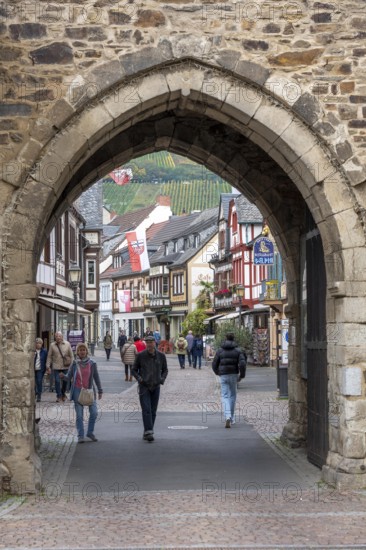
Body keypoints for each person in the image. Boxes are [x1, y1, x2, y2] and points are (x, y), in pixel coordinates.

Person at [61, 342, 103, 443]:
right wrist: (63, 376)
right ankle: (81, 435)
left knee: (94, 412)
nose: (82, 352)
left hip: (89, 391)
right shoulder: (74, 363)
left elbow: (96, 377)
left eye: (83, 350)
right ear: (77, 352)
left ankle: (90, 432)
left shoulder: (92, 363)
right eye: (80, 350)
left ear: (86, 351)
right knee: (79, 415)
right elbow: (69, 377)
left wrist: (100, 390)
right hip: (77, 391)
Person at [131, 335, 168, 442]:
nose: (149, 344)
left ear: (154, 343)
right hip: (144, 386)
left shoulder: (161, 356)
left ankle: (148, 430)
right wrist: (139, 378)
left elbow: (165, 370)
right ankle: (149, 431)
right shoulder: (141, 356)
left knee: (153, 410)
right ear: (145, 344)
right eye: (147, 343)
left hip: (156, 385)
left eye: (151, 342)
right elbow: (134, 369)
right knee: (146, 409)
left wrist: (162, 379)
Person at [212, 333, 246, 428]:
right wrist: (242, 375)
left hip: (223, 375)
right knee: (233, 396)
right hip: (234, 374)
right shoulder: (238, 351)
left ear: (225, 338)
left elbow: (214, 363)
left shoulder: (220, 351)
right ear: (233, 339)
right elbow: (242, 364)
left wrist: (217, 372)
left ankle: (228, 416)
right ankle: (231, 417)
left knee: (224, 395)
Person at [46, 331, 74, 403]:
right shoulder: (52, 345)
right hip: (56, 366)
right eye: (57, 336)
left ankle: (63, 393)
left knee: (65, 381)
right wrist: (48, 366)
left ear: (62, 337)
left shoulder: (67, 344)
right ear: (55, 337)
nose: (58, 337)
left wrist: (72, 365)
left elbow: (71, 356)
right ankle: (59, 396)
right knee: (57, 381)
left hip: (65, 366)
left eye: (59, 336)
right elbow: (49, 356)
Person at [34, 337, 48, 402]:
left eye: (39, 343)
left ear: (41, 344)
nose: (38, 344)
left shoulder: (44, 351)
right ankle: (35, 393)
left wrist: (47, 368)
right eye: (36, 343)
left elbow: (47, 360)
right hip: (33, 369)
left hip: (40, 369)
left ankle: (39, 395)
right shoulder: (32, 351)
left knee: (39, 381)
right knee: (34, 382)